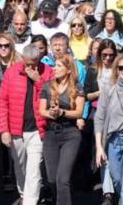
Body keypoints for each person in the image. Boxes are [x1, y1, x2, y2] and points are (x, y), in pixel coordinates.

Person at [0, 45, 53, 205]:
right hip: (16, 130)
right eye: (28, 64)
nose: (30, 67)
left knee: (34, 170)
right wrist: (4, 130)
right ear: (23, 59)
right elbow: (3, 102)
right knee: (20, 166)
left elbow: (53, 97)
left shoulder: (48, 72)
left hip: (38, 129)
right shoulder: (12, 72)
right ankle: (24, 193)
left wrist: (38, 81)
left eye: (34, 64)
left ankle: (30, 201)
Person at [94, 53, 123, 205]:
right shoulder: (109, 89)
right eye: (121, 67)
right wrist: (99, 147)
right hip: (113, 140)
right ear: (116, 69)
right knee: (117, 179)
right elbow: (99, 118)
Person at [39, 55, 85, 205]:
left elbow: (79, 112)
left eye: (59, 66)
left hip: (70, 134)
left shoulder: (77, 87)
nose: (54, 69)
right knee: (52, 178)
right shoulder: (47, 86)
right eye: (54, 66)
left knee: (62, 179)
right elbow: (41, 110)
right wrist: (51, 113)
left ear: (68, 69)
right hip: (51, 133)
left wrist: (62, 113)